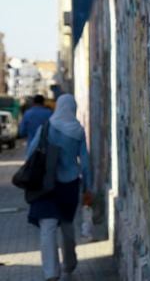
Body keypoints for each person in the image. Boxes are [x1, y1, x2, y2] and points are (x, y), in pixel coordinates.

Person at [26, 94, 93, 281]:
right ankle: (69, 265)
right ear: (73, 108)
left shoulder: (47, 127)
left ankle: (50, 272)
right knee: (67, 226)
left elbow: (31, 153)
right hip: (70, 185)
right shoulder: (78, 131)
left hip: (47, 185)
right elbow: (85, 164)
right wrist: (87, 187)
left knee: (47, 227)